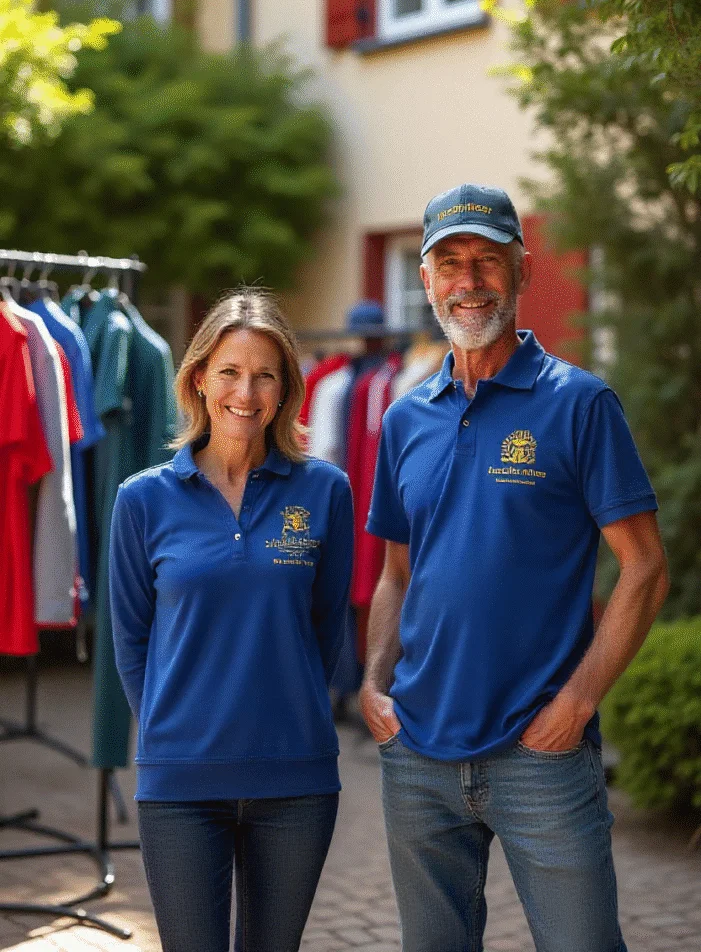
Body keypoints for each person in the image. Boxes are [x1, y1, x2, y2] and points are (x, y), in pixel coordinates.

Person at [359, 183, 669, 952]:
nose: (469, 281)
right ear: (426, 280)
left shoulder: (579, 404)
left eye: (486, 260)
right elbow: (396, 575)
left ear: (522, 271)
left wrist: (575, 707)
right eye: (450, 263)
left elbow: (644, 568)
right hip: (418, 757)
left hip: (541, 756)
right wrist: (371, 683)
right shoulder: (403, 418)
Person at [109, 288, 353, 952]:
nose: (245, 391)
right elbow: (131, 639)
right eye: (229, 371)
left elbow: (329, 627)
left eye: (264, 374)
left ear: (284, 390)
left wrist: (289, 707)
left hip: (296, 783)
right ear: (198, 379)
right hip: (180, 784)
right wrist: (173, 725)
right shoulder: (141, 500)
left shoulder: (325, 490)